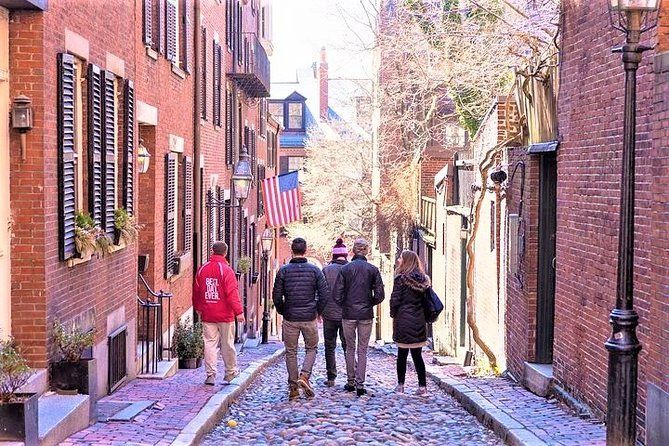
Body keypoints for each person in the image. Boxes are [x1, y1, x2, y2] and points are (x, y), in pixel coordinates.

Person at [273, 237, 329, 400]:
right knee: (311, 348)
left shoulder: (283, 271)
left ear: (292, 250)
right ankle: (304, 375)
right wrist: (317, 311)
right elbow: (324, 294)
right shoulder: (315, 271)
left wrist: (283, 310)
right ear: (305, 250)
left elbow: (277, 295)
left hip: (290, 316)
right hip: (309, 316)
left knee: (291, 352)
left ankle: (293, 388)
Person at [334, 238, 385, 396]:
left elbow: (336, 294)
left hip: (348, 314)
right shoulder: (373, 270)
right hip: (365, 314)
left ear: (353, 251)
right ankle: (360, 384)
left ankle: (350, 382)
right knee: (362, 350)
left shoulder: (345, 269)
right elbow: (380, 295)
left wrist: (346, 304)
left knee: (350, 348)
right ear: (367, 251)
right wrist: (369, 303)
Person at [193, 241, 245, 386]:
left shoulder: (202, 269)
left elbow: (196, 291)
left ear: (212, 251)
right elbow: (232, 293)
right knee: (227, 344)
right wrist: (239, 312)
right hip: (225, 315)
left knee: (209, 344)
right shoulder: (226, 270)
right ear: (225, 253)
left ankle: (210, 375)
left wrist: (198, 307)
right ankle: (230, 372)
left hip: (208, 313)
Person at [390, 250, 430, 396]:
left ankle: (400, 386)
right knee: (417, 356)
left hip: (403, 319)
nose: (399, 260)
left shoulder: (400, 279)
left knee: (402, 355)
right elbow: (426, 302)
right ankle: (422, 387)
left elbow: (395, 299)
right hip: (419, 320)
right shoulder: (424, 280)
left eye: (401, 258)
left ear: (406, 261)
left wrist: (393, 314)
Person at [321, 238, 349, 387]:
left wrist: (320, 310)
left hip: (329, 313)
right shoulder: (351, 269)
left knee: (329, 346)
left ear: (334, 255)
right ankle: (352, 376)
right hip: (347, 314)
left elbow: (321, 292)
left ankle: (331, 377)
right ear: (346, 255)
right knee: (348, 346)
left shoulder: (326, 270)